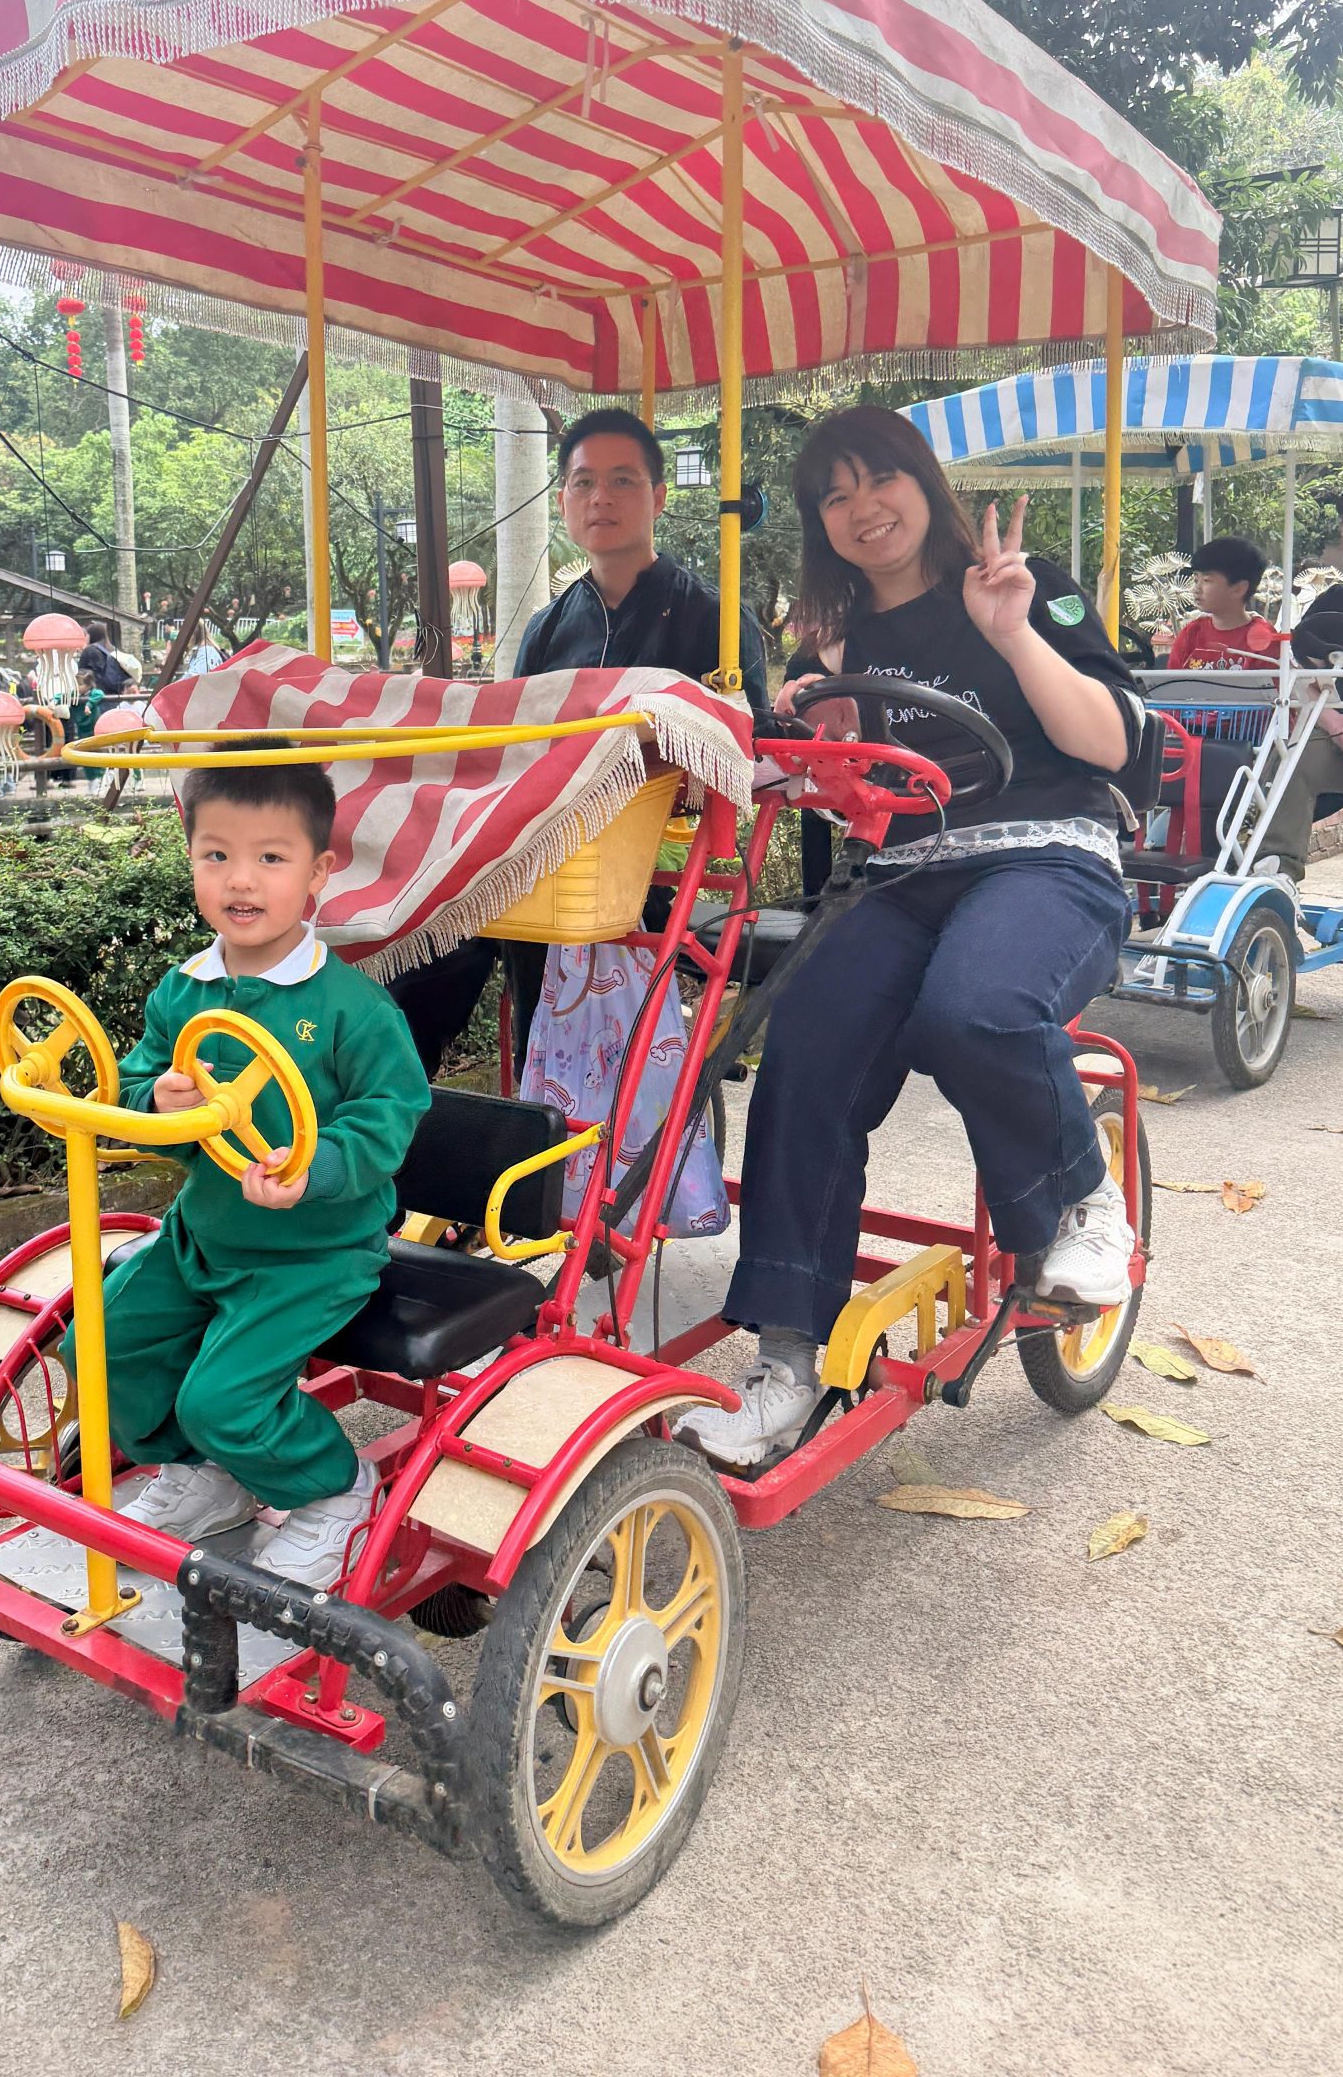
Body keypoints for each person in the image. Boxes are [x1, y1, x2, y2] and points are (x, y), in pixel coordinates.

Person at [675, 404, 1143, 1472]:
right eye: (834, 496)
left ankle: (1083, 1200)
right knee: (802, 1045)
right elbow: (821, 790)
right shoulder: (835, 636)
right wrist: (815, 738)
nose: (862, 508)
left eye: (877, 479)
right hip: (900, 871)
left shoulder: (1022, 582)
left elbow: (1111, 743)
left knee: (974, 1009)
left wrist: (1012, 630)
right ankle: (786, 1360)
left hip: (1048, 854)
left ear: (922, 482)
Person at [59, 753, 430, 1582]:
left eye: (271, 857)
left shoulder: (352, 1008)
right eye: (217, 855)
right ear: (191, 859)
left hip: (313, 1254)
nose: (241, 879)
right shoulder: (182, 991)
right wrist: (155, 1097)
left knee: (222, 1399)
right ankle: (207, 1474)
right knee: (99, 1347)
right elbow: (134, 1085)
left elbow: (390, 1115)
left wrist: (316, 1165)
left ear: (318, 873)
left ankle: (335, 1490)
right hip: (202, 1236)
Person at [387, 405, 766, 1078]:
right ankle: (390, 1096)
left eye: (622, 481)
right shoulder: (548, 629)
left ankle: (559, 1108)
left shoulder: (714, 619)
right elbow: (515, 753)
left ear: (658, 497)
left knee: (539, 911)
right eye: (584, 482)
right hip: (546, 856)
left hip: (656, 867)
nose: (601, 498)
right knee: (439, 927)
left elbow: (749, 755)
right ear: (563, 500)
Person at [1265, 471, 1343, 881]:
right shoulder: (1332, 603)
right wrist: (1328, 718)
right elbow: (1298, 668)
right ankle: (1275, 878)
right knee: (1286, 763)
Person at [1166, 538, 1284, 672]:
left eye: (1206, 580)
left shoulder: (1263, 638)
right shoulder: (1191, 633)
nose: (1196, 589)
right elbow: (1171, 680)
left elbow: (1269, 685)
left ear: (1238, 589)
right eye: (1196, 579)